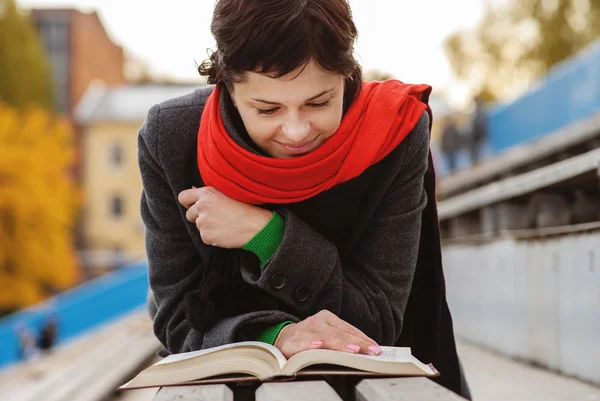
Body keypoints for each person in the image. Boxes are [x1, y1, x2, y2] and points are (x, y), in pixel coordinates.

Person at [140, 0, 470, 399]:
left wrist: (266, 235)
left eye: (319, 102)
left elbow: (378, 322)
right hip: (227, 381)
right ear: (226, 84)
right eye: (267, 109)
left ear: (348, 76)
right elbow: (176, 319)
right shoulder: (171, 138)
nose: (296, 132)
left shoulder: (394, 134)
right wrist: (273, 336)